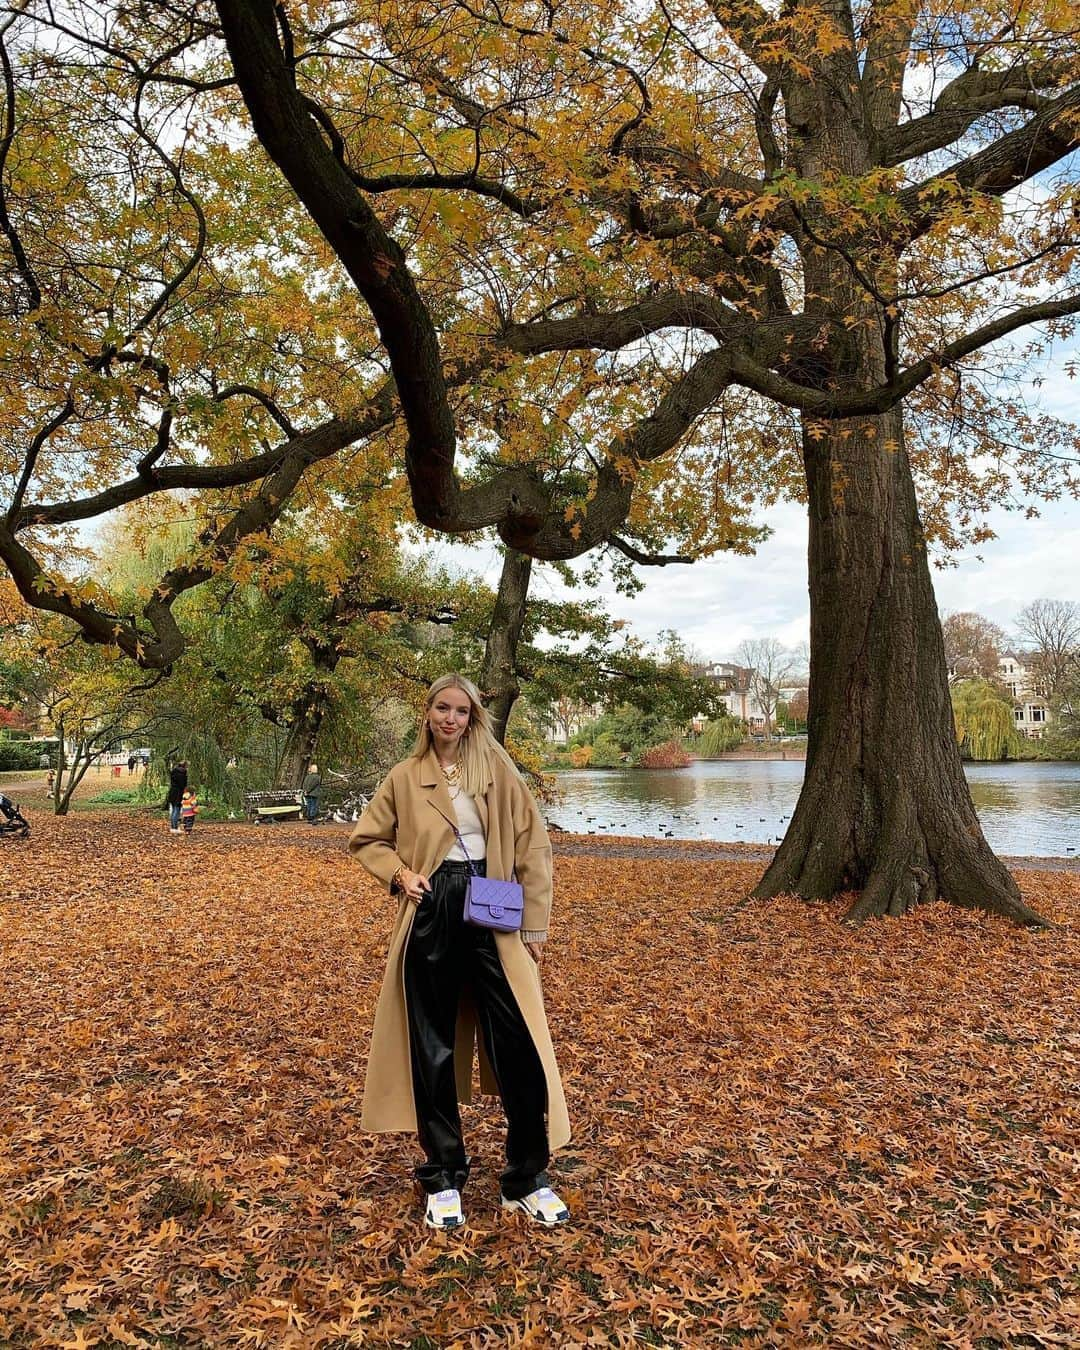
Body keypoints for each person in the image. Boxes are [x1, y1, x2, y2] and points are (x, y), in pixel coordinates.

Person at [350, 673, 571, 1231]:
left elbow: (533, 844)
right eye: (442, 709)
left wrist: (536, 923)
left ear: (473, 718)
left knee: (516, 1039)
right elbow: (367, 840)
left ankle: (525, 1177)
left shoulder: (495, 771)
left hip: (492, 894)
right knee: (432, 1044)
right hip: (433, 903)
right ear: (427, 714)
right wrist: (400, 874)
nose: (451, 718)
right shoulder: (405, 777)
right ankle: (443, 1175)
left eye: (462, 711)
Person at [166, 760, 187, 834]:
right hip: (178, 793)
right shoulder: (183, 774)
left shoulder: (173, 772)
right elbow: (183, 785)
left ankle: (173, 826)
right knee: (176, 810)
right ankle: (174, 828)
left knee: (173, 810)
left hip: (172, 792)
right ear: (184, 766)